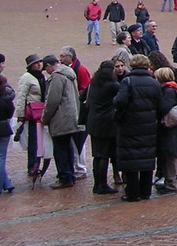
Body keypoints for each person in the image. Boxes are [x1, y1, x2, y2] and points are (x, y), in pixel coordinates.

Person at [112, 54, 160, 201]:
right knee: (147, 158)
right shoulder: (153, 83)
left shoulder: (128, 81)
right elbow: (159, 103)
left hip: (130, 125)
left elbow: (119, 101)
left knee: (131, 160)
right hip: (149, 126)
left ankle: (132, 193)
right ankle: (145, 192)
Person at [41, 55, 80, 189]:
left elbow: (52, 101)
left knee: (60, 148)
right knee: (67, 145)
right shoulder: (69, 74)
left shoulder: (57, 77)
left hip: (60, 117)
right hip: (71, 116)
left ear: (48, 66)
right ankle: (70, 174)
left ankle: (64, 176)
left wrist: (45, 118)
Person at [85, 60, 120, 195]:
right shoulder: (112, 85)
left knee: (97, 155)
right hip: (106, 124)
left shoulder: (94, 83)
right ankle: (102, 185)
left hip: (93, 122)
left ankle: (97, 184)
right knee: (104, 155)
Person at [15, 54, 48, 182]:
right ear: (30, 66)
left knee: (40, 140)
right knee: (33, 140)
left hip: (41, 112)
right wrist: (21, 114)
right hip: (32, 113)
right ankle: (32, 165)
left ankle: (37, 164)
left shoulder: (41, 76)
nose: (39, 65)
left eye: (39, 63)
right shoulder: (26, 78)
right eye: (36, 63)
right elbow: (21, 96)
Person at [60, 47, 91, 178]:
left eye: (62, 56)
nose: (60, 59)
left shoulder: (80, 70)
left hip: (79, 110)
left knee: (79, 140)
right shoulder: (70, 69)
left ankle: (80, 167)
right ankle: (75, 165)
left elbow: (85, 89)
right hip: (73, 109)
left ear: (70, 57)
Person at [153, 67, 177, 195]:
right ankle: (168, 181)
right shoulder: (172, 89)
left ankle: (171, 183)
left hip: (169, 129)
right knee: (167, 156)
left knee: (170, 157)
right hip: (170, 129)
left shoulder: (169, 91)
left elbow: (164, 108)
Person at [0, 74, 16, 194]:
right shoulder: (6, 99)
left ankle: (3, 185)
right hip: (3, 128)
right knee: (0, 157)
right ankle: (1, 185)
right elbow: (10, 112)